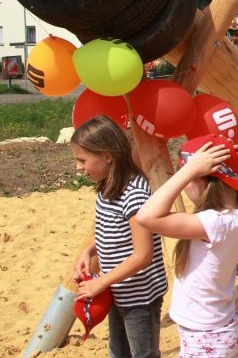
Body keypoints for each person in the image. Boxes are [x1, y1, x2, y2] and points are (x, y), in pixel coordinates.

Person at [135, 137, 238, 358]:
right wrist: (225, 161)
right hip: (220, 327)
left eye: (188, 182)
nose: (184, 188)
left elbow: (145, 216)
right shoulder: (237, 212)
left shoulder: (215, 223)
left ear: (203, 181)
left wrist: (187, 171)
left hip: (206, 337)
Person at [70, 115, 169, 358]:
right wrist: (88, 251)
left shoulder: (134, 194)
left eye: (82, 160)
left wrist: (101, 282)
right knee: (118, 350)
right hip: (117, 288)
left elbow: (144, 255)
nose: (78, 167)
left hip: (140, 296)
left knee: (142, 354)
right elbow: (108, 230)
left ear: (107, 156)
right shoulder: (107, 187)